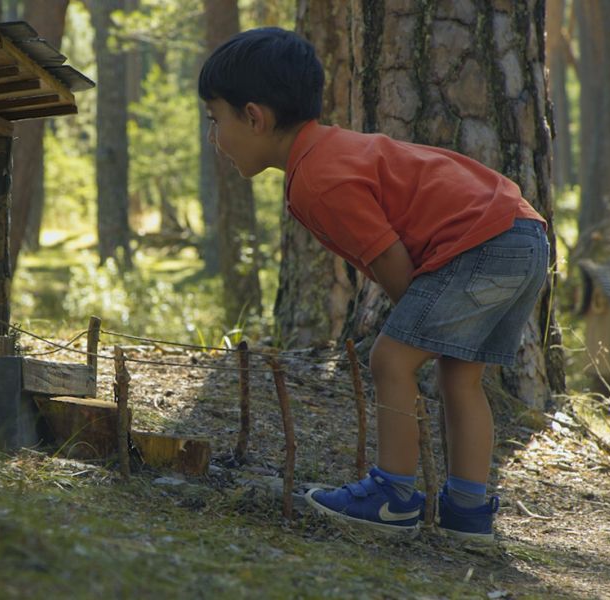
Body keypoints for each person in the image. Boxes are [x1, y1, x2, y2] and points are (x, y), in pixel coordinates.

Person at [199, 28, 549, 542]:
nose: (214, 138)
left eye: (215, 120)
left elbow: (389, 259)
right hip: (521, 234)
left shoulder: (319, 177)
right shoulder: (332, 152)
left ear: (255, 117)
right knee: (460, 374)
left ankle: (394, 496)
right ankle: (468, 513)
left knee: (390, 358)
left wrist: (416, 325)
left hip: (483, 242)